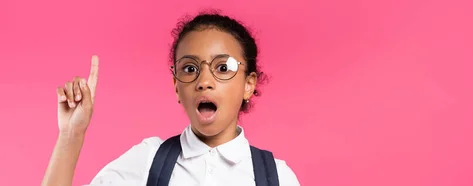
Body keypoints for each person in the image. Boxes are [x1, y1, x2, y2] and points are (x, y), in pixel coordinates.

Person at [41, 11, 300, 186]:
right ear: (177, 86)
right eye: (189, 69)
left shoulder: (277, 176)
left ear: (248, 84)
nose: (204, 82)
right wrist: (70, 135)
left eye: (223, 68)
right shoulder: (149, 159)